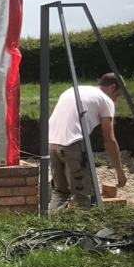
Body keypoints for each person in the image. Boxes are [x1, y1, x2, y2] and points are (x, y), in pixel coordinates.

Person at [47, 72, 126, 212]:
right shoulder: (105, 100)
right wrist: (119, 172)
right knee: (82, 196)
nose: (115, 100)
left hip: (52, 143)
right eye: (117, 95)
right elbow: (109, 140)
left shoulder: (73, 90)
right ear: (112, 87)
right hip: (73, 145)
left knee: (60, 193)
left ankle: (51, 223)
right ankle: (82, 225)